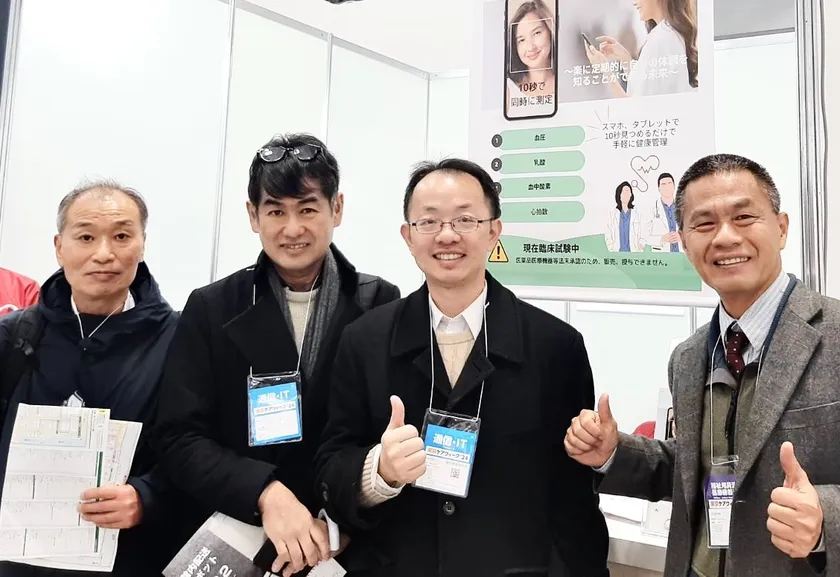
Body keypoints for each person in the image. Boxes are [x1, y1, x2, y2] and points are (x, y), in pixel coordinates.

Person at [314, 158, 610, 577]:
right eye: (429, 222)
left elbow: (574, 500)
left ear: (494, 231)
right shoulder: (364, 341)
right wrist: (378, 471)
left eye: (465, 219)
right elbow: (330, 466)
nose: (447, 235)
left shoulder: (556, 347)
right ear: (408, 236)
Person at [565, 153, 840, 577]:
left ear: (782, 228)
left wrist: (826, 521)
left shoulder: (834, 337)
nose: (725, 237)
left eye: (744, 217)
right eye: (704, 224)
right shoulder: (690, 356)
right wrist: (613, 453)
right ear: (683, 240)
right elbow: (696, 468)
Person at [153, 133, 400, 577]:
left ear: (337, 208)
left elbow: (380, 435)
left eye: (307, 209)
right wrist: (265, 493)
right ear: (253, 215)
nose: (292, 228)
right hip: (240, 535)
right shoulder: (212, 307)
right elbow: (178, 438)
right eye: (275, 211)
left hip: (340, 547)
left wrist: (337, 523)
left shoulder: (379, 303)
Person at [0, 181, 181, 577]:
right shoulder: (13, 336)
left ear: (142, 244)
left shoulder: (179, 341)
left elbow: (198, 445)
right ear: (59, 246)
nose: (104, 253)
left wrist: (148, 496)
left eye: (121, 236)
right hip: (17, 561)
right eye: (85, 237)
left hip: (129, 559)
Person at [585, 0, 698, 98]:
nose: (634, 2)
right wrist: (625, 59)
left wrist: (604, 69)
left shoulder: (661, 39)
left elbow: (636, 108)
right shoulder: (668, 33)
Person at [505, 0, 557, 118]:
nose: (531, 47)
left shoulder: (568, 81)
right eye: (521, 40)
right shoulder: (508, 89)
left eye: (537, 33)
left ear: (550, 31)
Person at [644, 172, 680, 252]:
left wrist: (682, 236)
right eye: (663, 184)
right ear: (659, 189)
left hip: (681, 253)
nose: (667, 187)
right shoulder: (651, 209)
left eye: (669, 183)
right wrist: (662, 238)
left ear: (674, 186)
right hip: (661, 253)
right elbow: (644, 236)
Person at [605, 180, 642, 252]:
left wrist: (641, 243)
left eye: (628, 191)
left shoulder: (637, 213)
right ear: (619, 195)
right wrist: (611, 248)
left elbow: (644, 230)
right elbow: (608, 234)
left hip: (633, 252)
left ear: (631, 195)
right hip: (617, 252)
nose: (626, 194)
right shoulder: (612, 215)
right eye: (623, 192)